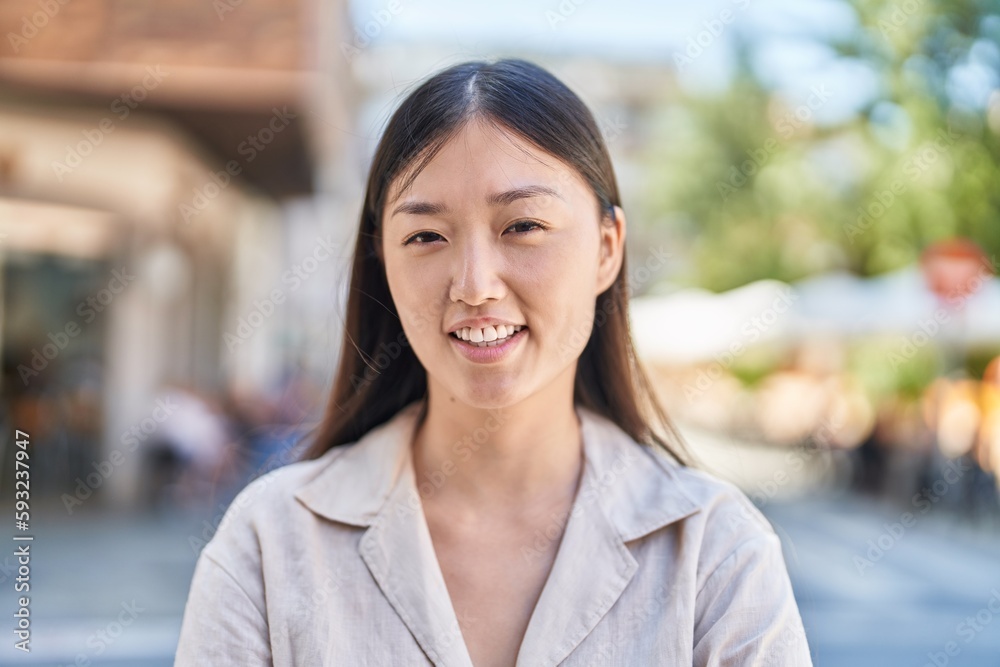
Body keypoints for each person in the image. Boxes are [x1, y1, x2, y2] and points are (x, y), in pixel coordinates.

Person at [174, 58, 813, 666]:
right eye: (426, 236)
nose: (474, 284)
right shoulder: (270, 544)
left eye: (523, 226)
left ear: (607, 249)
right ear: (382, 265)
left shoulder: (715, 552)